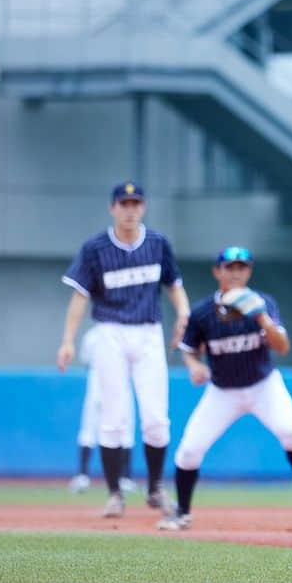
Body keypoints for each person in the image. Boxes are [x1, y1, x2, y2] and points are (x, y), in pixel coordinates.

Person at [157, 245, 292, 531]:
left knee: (291, 433)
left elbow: (282, 347)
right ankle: (182, 512)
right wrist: (194, 366)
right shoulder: (202, 313)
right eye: (230, 267)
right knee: (189, 451)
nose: (236, 273)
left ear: (249, 271)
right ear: (217, 271)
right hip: (223, 391)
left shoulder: (263, 302)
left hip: (263, 386)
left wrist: (261, 317)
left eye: (242, 267)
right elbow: (189, 350)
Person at [56, 181, 190, 518]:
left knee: (157, 418)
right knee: (113, 418)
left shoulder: (158, 243)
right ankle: (115, 493)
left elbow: (175, 286)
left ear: (142, 207)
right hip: (111, 332)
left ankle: (156, 488)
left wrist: (185, 315)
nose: (130, 210)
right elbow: (79, 296)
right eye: (124, 203)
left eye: (136, 203)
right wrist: (68, 340)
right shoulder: (96, 248)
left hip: (148, 332)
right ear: (112, 207)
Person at [68, 327, 137, 494]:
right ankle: (86, 476)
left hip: (114, 384)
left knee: (123, 431)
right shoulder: (94, 335)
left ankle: (121, 477)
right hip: (103, 384)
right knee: (93, 429)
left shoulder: (93, 335)